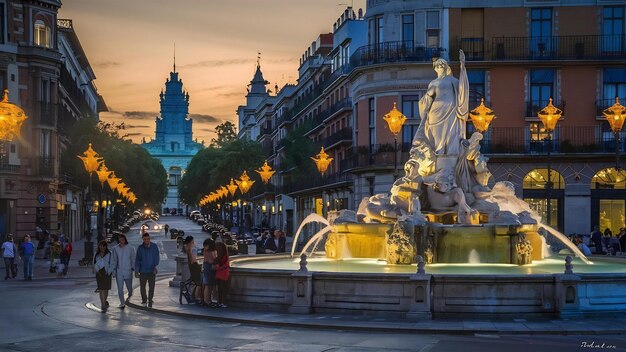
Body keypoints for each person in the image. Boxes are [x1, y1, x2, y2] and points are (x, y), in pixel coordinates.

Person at [416, 49, 468, 156]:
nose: (440, 66)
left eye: (442, 64)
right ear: (435, 68)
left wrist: (462, 66)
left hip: (450, 109)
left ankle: (449, 153)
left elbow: (463, 89)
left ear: (446, 66)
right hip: (435, 112)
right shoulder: (432, 83)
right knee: (436, 133)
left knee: (450, 133)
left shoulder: (453, 80)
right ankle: (438, 153)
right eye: (437, 64)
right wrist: (425, 100)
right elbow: (427, 101)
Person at [135, 232, 159, 308]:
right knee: (142, 287)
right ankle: (144, 300)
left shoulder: (154, 247)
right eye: (145, 239)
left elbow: (156, 257)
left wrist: (155, 266)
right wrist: (136, 271)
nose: (146, 240)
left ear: (150, 239)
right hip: (143, 271)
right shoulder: (140, 248)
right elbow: (137, 260)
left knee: (152, 286)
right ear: (143, 239)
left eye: (148, 239)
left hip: (152, 270)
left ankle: (150, 299)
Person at [110, 233, 135, 309]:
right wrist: (113, 271)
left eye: (122, 239)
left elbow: (133, 259)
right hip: (119, 272)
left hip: (128, 271)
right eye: (120, 240)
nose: (121, 241)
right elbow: (113, 260)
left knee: (129, 288)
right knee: (120, 289)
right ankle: (122, 303)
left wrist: (134, 268)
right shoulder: (115, 249)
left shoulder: (130, 248)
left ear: (125, 239)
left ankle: (130, 297)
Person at [93, 240, 112, 313]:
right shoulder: (96, 254)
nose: (102, 247)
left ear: (105, 247)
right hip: (99, 273)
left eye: (103, 246)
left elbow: (112, 263)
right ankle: (103, 305)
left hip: (107, 273)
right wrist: (95, 269)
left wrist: (110, 271)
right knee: (101, 289)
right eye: (100, 246)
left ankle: (104, 300)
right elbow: (94, 263)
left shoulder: (109, 254)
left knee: (106, 289)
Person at [183, 236, 203, 303]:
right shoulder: (190, 249)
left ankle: (195, 296)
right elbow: (192, 260)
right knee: (199, 283)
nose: (193, 243)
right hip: (194, 268)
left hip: (194, 268)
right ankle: (197, 297)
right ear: (189, 243)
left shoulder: (188, 249)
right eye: (192, 242)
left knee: (198, 283)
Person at [213, 242, 230, 308]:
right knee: (220, 288)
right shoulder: (224, 255)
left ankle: (222, 302)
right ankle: (220, 302)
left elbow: (219, 263)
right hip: (221, 273)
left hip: (222, 273)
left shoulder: (223, 256)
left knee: (222, 288)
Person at [202, 238, 218, 308]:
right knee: (210, 285)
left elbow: (205, 260)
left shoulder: (205, 251)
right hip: (210, 267)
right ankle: (208, 300)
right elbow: (215, 260)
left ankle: (206, 300)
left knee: (207, 284)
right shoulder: (213, 251)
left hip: (206, 266)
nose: (204, 247)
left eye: (205, 245)